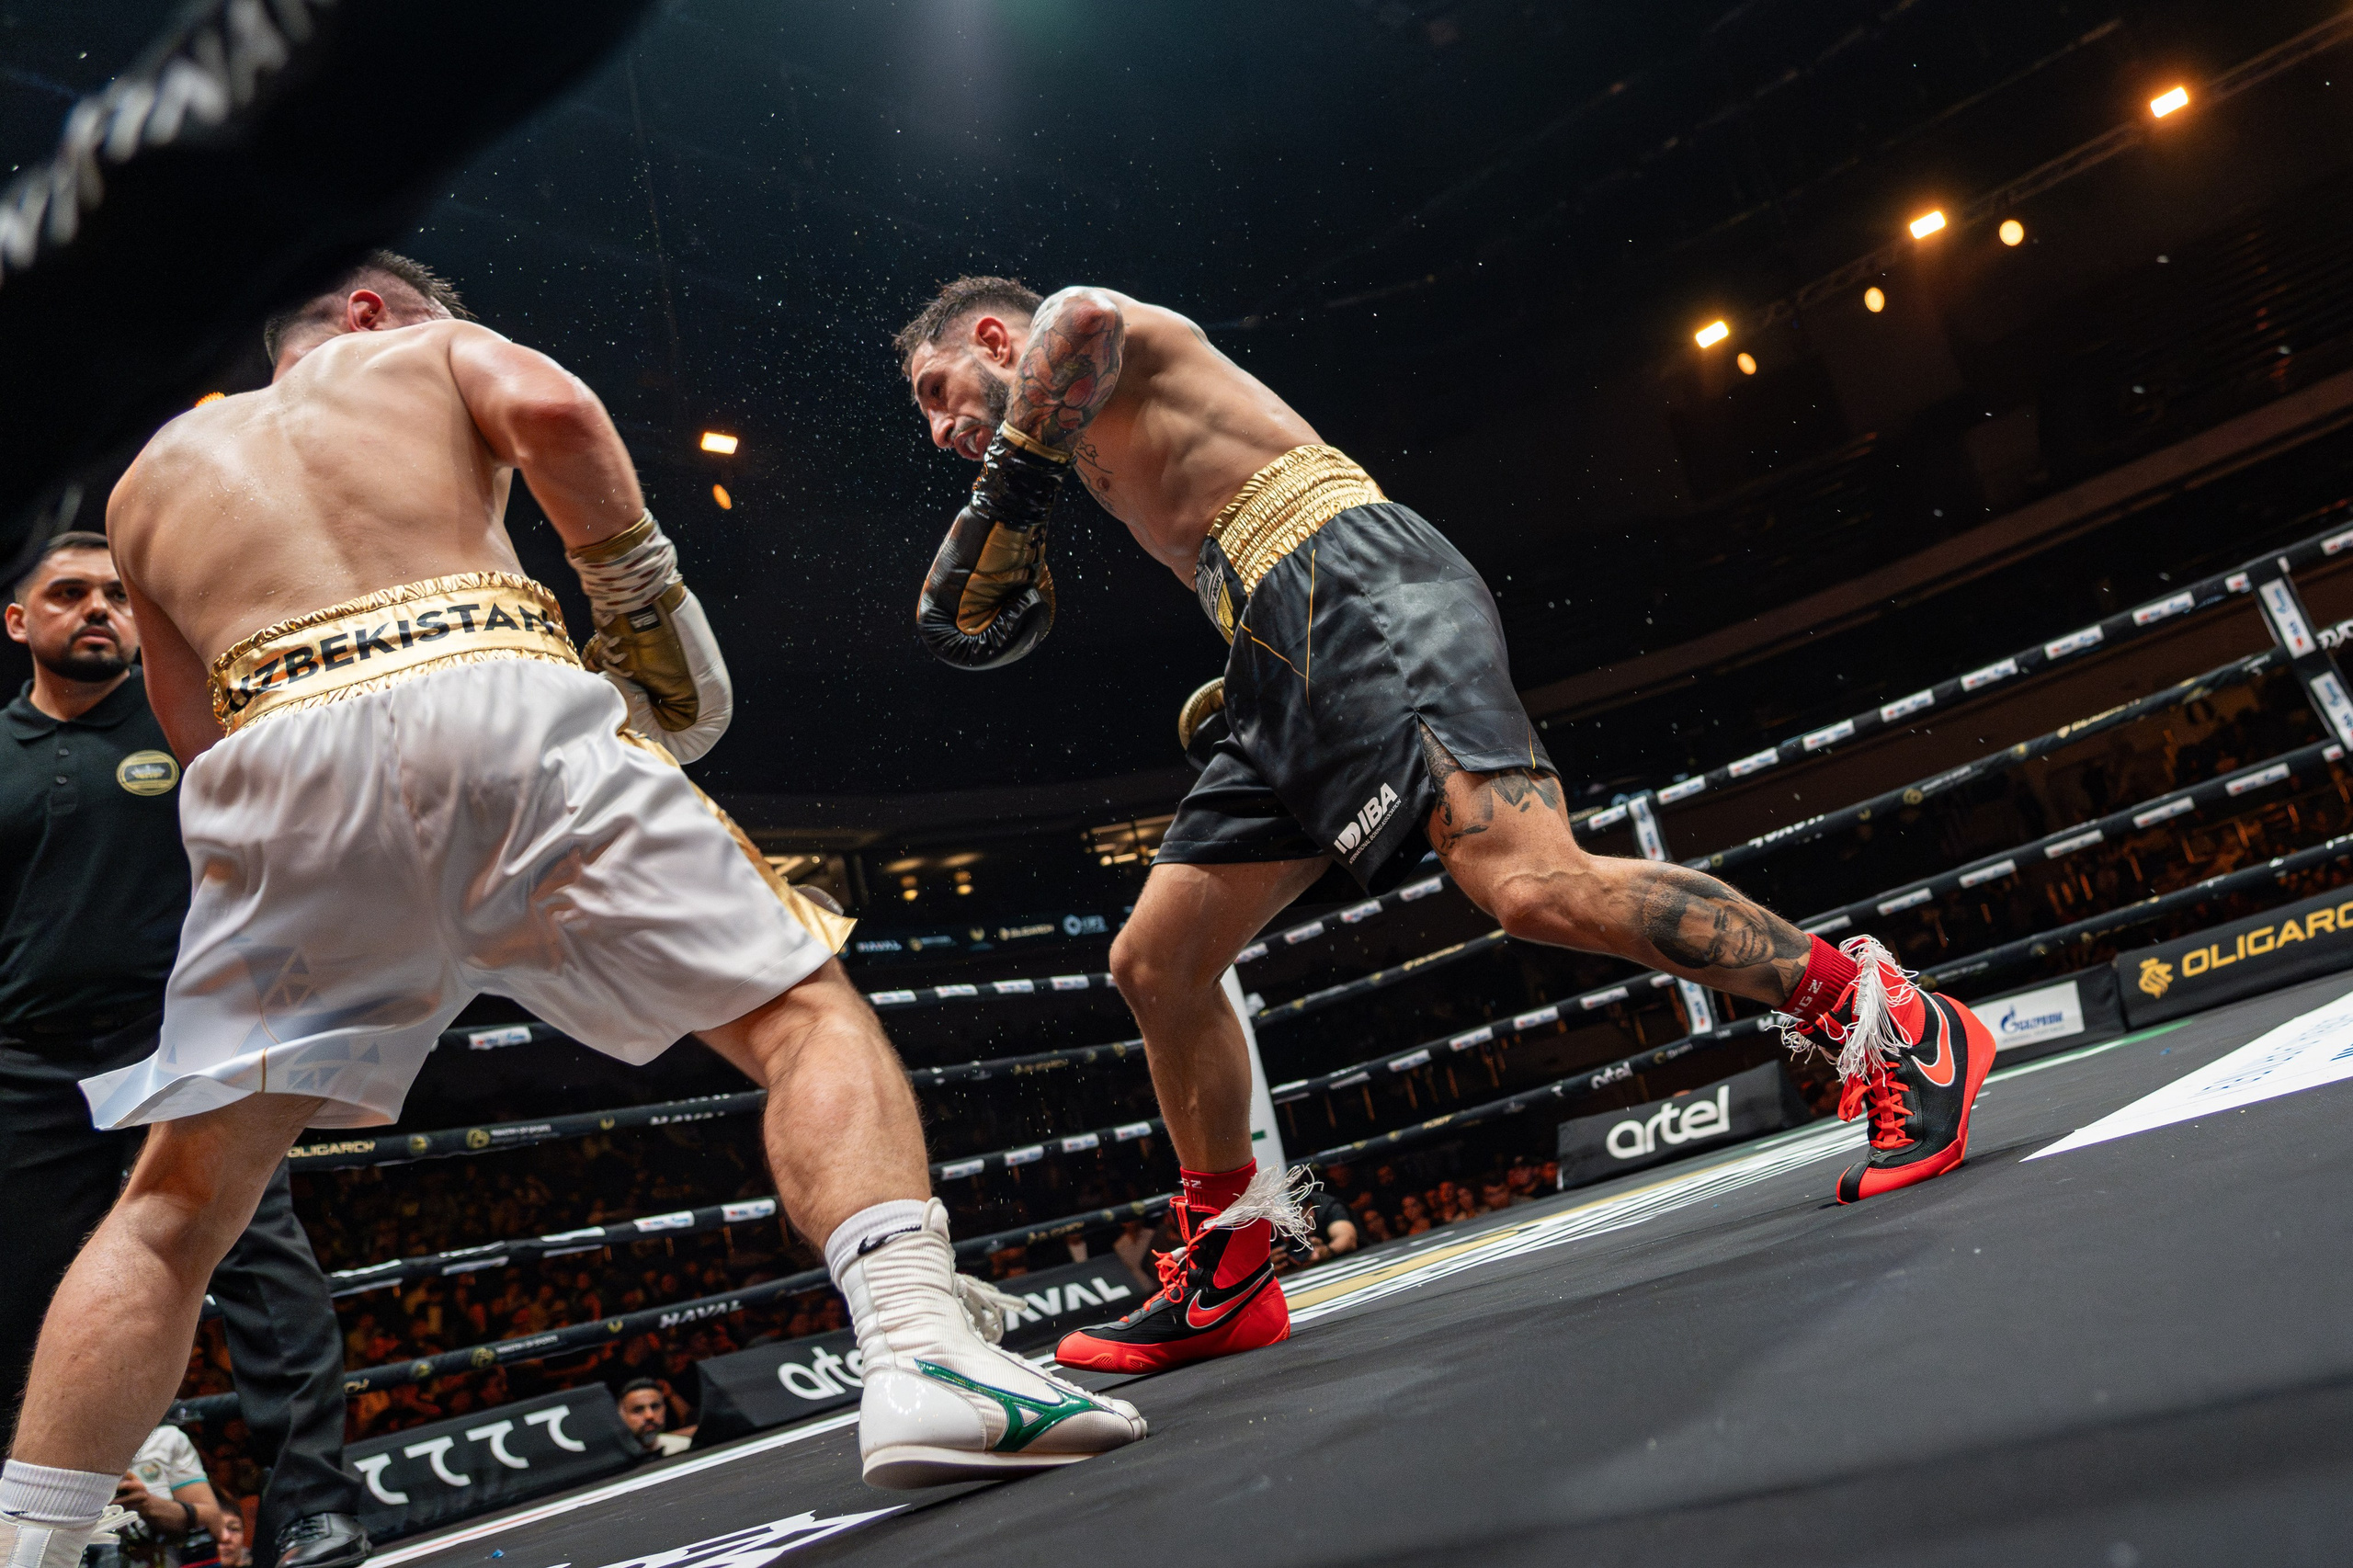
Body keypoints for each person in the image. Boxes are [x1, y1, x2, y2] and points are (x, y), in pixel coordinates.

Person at [0, 254, 1143, 1568]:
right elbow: (551, 412)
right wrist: (633, 592)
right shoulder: (420, 353)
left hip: (269, 763)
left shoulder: (150, 476)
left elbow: (192, 728)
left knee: (175, 1203)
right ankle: (925, 1354)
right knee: (800, 1013)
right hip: (482, 684)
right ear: (370, 307)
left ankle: (31, 1538)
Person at [894, 276, 1999, 1374]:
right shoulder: (1076, 434)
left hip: (1358, 585)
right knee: (1157, 961)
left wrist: (1012, 487)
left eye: (941, 389)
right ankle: (1228, 1264)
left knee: (1528, 885)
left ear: (993, 335)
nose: (940, 428)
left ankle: (1891, 1016)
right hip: (1274, 654)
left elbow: (1080, 317)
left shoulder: (1077, 344)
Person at [0, 534, 369, 1568]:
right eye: (68, 594)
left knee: (261, 1271)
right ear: (19, 622)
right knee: (19, 1290)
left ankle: (309, 1509)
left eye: (117, 593)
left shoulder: (190, 716)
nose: (99, 609)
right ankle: (37, 1523)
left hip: (190, 1038)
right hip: (28, 1061)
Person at [614, 1380, 690, 1460]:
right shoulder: (613, 1461)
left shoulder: (683, 1447)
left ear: (664, 1408)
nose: (649, 1416)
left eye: (655, 1407)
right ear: (621, 1416)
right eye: (638, 1410)